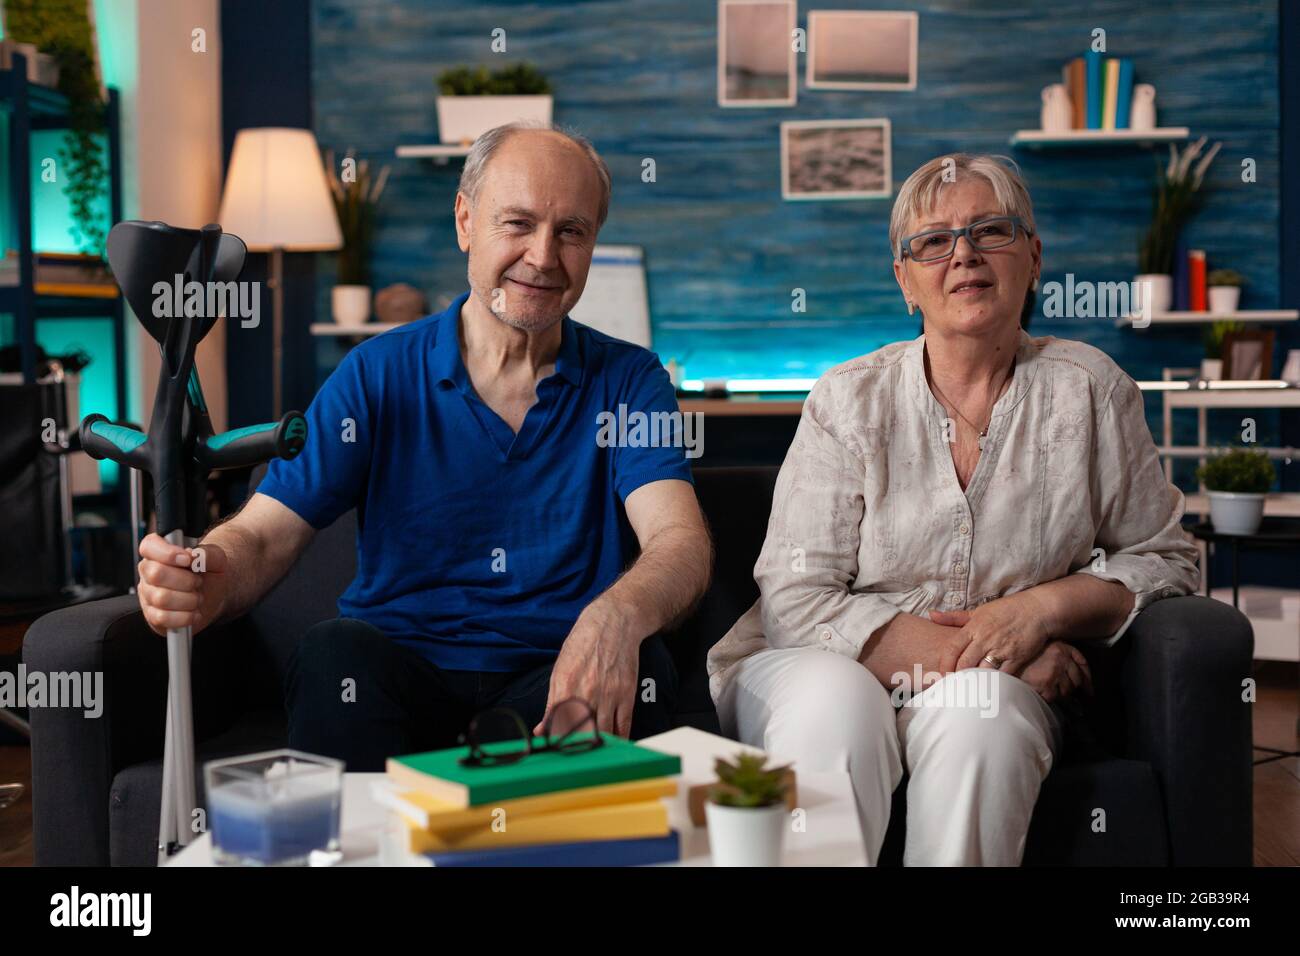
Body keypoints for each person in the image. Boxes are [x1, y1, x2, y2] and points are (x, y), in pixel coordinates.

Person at [136, 122, 712, 770]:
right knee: (333, 653)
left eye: (570, 231)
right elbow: (267, 534)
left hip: (551, 686)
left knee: (646, 667)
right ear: (466, 221)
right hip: (392, 685)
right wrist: (210, 571)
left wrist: (618, 618)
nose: (544, 257)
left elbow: (679, 542)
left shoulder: (631, 380)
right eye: (517, 224)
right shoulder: (375, 372)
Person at [707, 153, 1200, 866]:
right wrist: (992, 659)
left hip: (997, 688)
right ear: (904, 281)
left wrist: (1041, 613)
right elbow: (796, 600)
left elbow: (1163, 557)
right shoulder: (847, 399)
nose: (963, 253)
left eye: (990, 231)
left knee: (985, 719)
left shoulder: (1093, 391)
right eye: (933, 241)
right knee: (839, 707)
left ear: (1033, 257)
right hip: (815, 663)